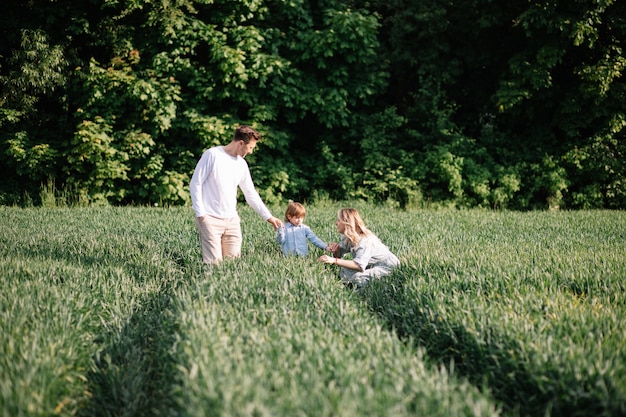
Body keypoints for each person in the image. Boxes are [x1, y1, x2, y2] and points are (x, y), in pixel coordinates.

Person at [189, 125, 282, 264]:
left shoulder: (242, 164)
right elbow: (195, 183)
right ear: (240, 143)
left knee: (233, 266)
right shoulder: (212, 155)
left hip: (232, 221)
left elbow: (250, 194)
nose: (251, 151)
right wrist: (201, 214)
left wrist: (268, 216)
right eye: (250, 147)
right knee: (213, 265)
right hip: (210, 220)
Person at [318, 208, 400, 289]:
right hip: (370, 265)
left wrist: (334, 260)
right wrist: (336, 250)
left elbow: (359, 266)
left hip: (387, 267)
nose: (336, 223)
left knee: (356, 278)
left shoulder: (364, 241)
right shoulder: (348, 237)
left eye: (339, 220)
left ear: (347, 222)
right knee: (344, 270)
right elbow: (339, 256)